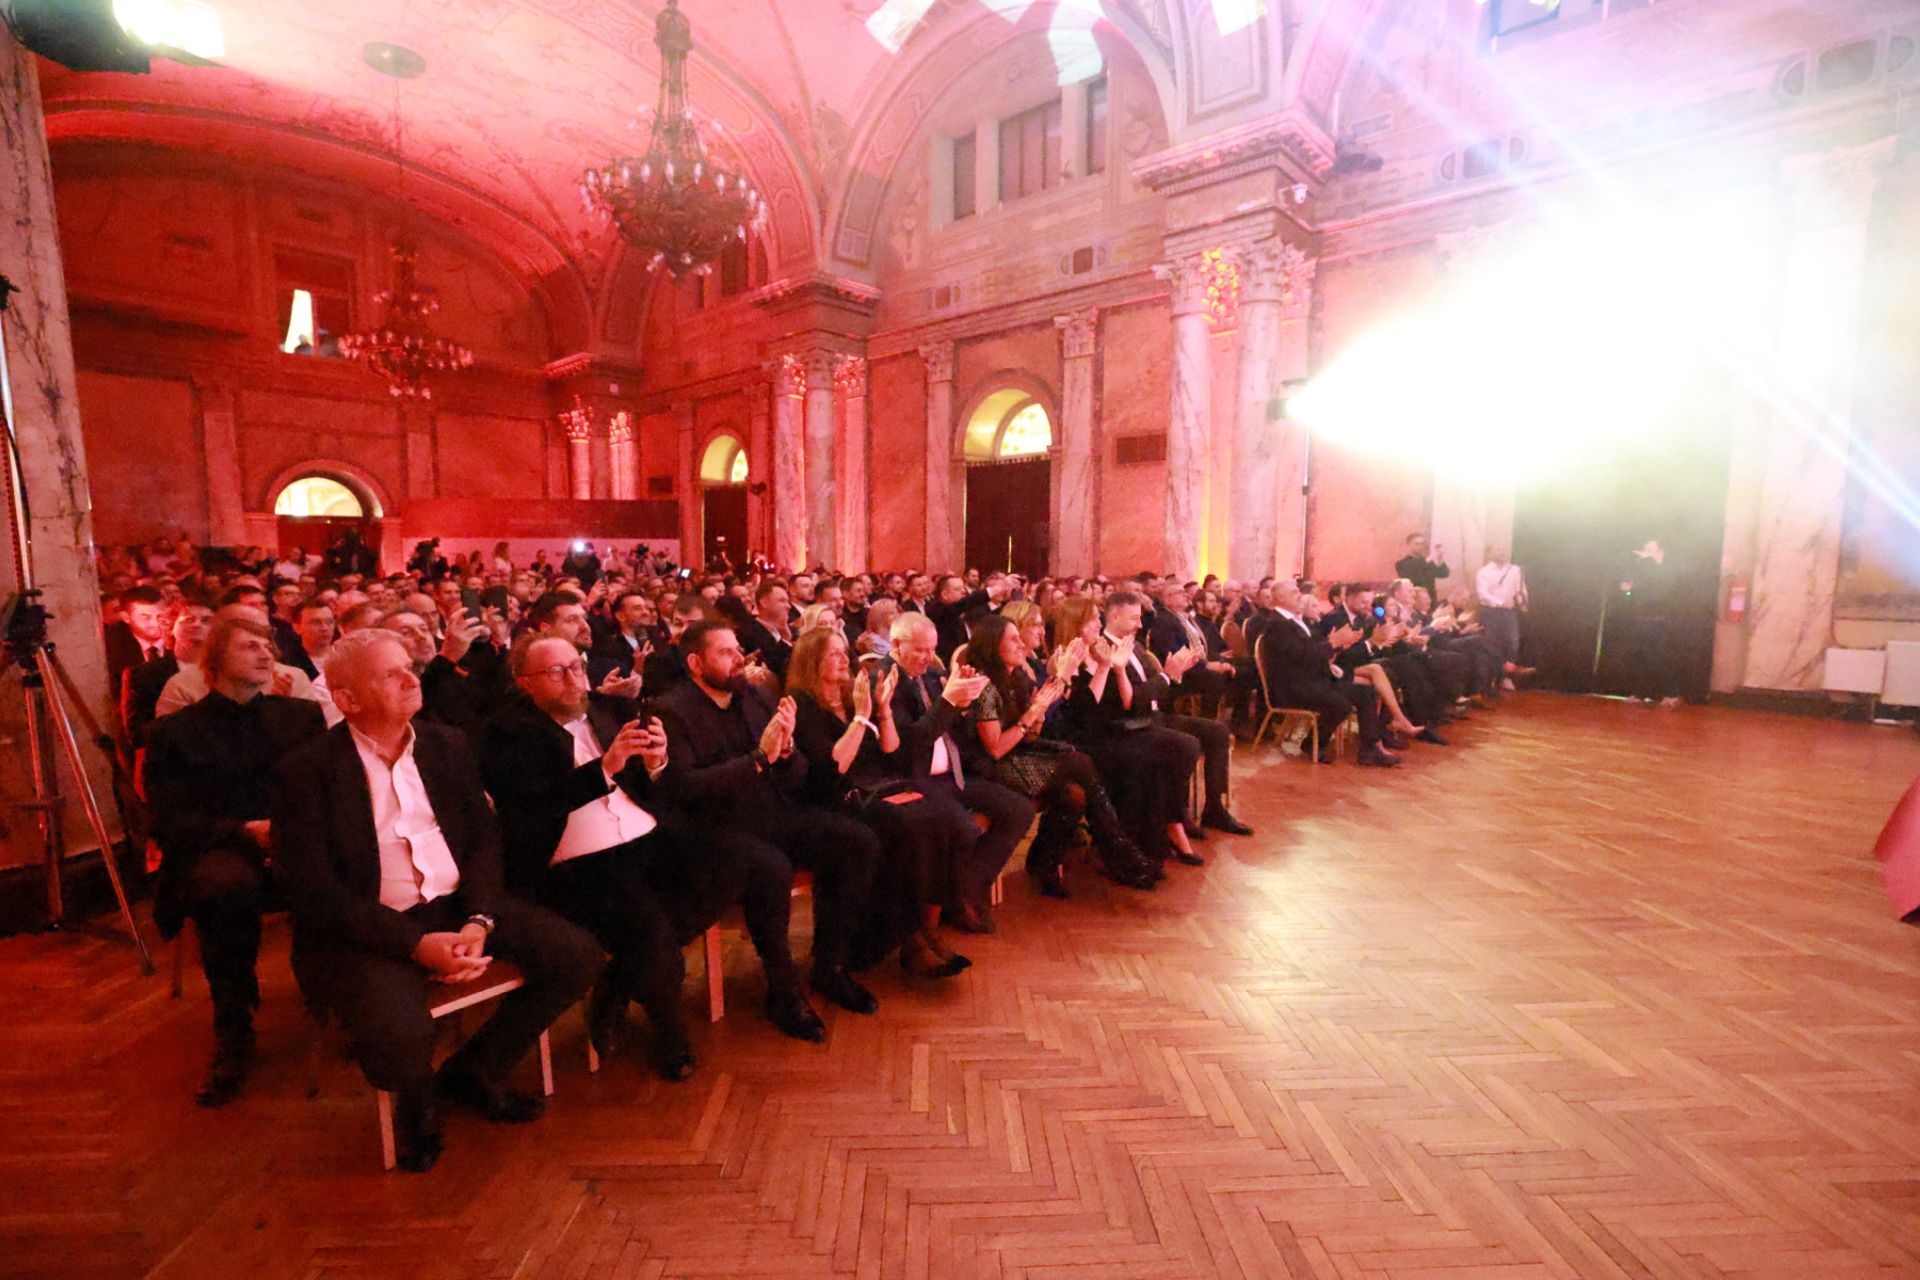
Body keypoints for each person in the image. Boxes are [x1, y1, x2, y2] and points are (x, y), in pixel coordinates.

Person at [271, 630, 603, 1173]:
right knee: (401, 1034)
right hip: (369, 927)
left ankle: (478, 1069)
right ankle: (417, 1100)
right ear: (347, 698)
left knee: (576, 956)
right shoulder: (307, 771)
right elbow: (315, 892)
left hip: (457, 905)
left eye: (410, 666)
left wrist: (479, 919)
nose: (411, 678)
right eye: (390, 674)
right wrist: (415, 944)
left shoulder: (445, 744)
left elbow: (482, 840)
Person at [481, 635, 824, 1078]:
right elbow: (529, 811)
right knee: (650, 928)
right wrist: (604, 768)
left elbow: (655, 788)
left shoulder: (606, 711)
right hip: (579, 861)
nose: (573, 678)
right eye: (555, 671)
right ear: (524, 682)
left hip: (647, 835)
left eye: (576, 666)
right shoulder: (505, 734)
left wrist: (656, 762)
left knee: (764, 864)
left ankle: (781, 992)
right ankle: (669, 1035)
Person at [144, 613, 328, 1106]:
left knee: (353, 870)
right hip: (220, 846)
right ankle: (233, 1023)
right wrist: (245, 832)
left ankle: (342, 994)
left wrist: (286, 833)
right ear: (215, 659)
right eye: (250, 646)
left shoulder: (300, 718)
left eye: (268, 646)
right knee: (224, 886)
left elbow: (326, 795)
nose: (266, 653)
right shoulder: (177, 733)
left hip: (296, 843)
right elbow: (170, 820)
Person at [655, 621, 883, 1016]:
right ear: (695, 663)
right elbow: (686, 788)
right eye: (724, 652)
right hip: (716, 826)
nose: (738, 658)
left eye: (737, 648)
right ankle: (783, 990)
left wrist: (788, 750)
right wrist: (759, 759)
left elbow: (795, 775)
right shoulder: (672, 710)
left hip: (770, 813)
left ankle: (830, 964)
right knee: (772, 868)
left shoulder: (755, 696)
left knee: (857, 841)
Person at [786, 629, 974, 978]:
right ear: (812, 661)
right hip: (835, 796)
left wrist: (882, 709)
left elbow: (889, 751)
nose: (844, 659)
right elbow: (833, 767)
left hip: (874, 787)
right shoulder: (803, 704)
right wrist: (860, 718)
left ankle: (925, 927)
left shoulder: (850, 694)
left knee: (936, 816)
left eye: (843, 651)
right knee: (907, 826)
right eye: (833, 654)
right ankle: (909, 938)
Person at [959, 615, 1155, 896]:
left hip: (1017, 755)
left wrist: (1038, 711)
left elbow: (1030, 735)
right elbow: (995, 749)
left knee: (1075, 794)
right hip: (989, 767)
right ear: (992, 645)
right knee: (1079, 762)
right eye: (1012, 639)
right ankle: (1120, 852)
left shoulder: (1015, 677)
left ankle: (1046, 862)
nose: (1020, 644)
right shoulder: (985, 686)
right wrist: (1033, 712)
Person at [884, 612, 1035, 932]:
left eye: (932, 649)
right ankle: (939, 913)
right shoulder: (887, 680)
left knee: (1019, 809)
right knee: (963, 829)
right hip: (916, 780)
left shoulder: (930, 675)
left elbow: (956, 732)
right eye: (921, 650)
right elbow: (908, 746)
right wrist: (949, 702)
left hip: (953, 773)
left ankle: (967, 891)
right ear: (896, 644)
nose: (929, 657)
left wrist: (965, 705)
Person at [1052, 593, 1199, 870]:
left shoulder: (1099, 651)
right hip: (1086, 741)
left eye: (1098, 618)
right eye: (1092, 620)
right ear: (1076, 624)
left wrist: (1112, 667)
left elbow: (1115, 704)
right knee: (1145, 758)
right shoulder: (1066, 658)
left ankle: (1156, 839)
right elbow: (1085, 712)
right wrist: (1107, 667)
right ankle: (1131, 844)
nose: (1099, 624)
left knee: (1159, 756)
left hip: (1112, 729)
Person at [1097, 591, 1251, 844]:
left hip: (1155, 715)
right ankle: (1178, 816)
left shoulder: (1134, 645)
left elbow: (1158, 692)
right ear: (1114, 616)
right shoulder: (1104, 650)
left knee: (1217, 732)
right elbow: (1134, 701)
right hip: (1133, 724)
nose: (1140, 624)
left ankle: (1214, 808)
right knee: (1185, 745)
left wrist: (1175, 676)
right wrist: (1166, 676)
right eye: (1134, 618)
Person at [1256, 579, 1400, 767]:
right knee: (1340, 705)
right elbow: (1301, 657)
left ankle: (1369, 749)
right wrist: (1333, 642)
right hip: (1293, 687)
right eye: (1294, 592)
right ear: (1280, 598)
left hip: (1313, 680)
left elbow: (1314, 652)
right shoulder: (1277, 624)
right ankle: (1312, 743)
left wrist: (1338, 645)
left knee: (1365, 693)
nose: (1299, 595)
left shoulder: (1296, 621)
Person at [1619, 538, 1683, 708]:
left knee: (1657, 656)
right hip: (1641, 618)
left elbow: (1662, 587)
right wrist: (1628, 588)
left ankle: (1672, 694)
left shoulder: (1667, 569)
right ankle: (1639, 693)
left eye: (1650, 549)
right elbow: (1635, 589)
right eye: (1645, 549)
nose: (1645, 552)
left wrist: (1647, 561)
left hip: (1659, 620)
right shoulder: (1644, 568)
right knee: (1640, 657)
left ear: (1661, 551)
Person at [1474, 546, 1529, 687]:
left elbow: (1520, 589)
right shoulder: (1484, 572)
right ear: (1489, 554)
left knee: (1512, 642)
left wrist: (1523, 602)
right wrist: (1499, 603)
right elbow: (1483, 594)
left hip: (1509, 611)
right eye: (1497, 550)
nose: (1501, 552)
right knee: (1493, 644)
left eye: (1502, 550)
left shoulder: (1515, 570)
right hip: (1490, 611)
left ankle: (1505, 675)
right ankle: (1493, 678)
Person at [1394, 533, 1450, 598]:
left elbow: (1444, 574)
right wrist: (1428, 560)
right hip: (1415, 599)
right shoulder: (1401, 564)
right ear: (1408, 545)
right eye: (1416, 544)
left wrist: (1440, 558)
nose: (1420, 547)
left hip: (1431, 598)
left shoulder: (1427, 561)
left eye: (1422, 544)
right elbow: (1415, 579)